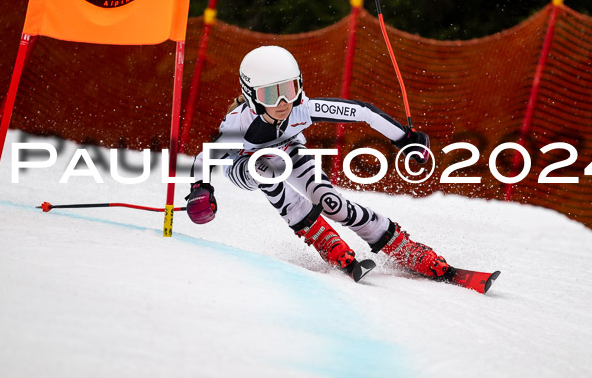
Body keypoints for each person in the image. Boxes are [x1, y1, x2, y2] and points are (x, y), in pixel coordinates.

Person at [186, 45, 450, 281]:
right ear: (252, 95)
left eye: (288, 90)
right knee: (263, 165)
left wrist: (405, 138)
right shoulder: (238, 124)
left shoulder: (303, 107)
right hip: (245, 165)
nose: (282, 104)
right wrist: (201, 188)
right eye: (270, 95)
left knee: (330, 201)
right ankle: (322, 238)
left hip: (288, 151)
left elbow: (363, 112)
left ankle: (401, 245)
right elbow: (205, 158)